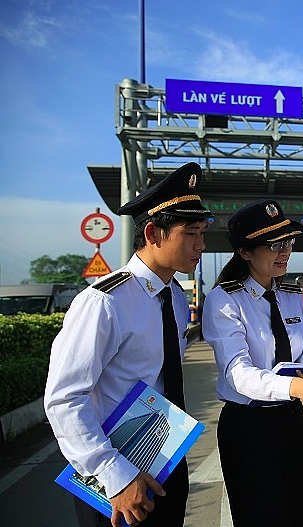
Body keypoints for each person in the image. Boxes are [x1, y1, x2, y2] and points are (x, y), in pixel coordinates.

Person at [44, 162, 213, 527]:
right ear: (153, 233)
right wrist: (115, 476)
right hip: (114, 481)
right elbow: (64, 398)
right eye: (191, 233)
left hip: (164, 462)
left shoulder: (177, 300)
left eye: (203, 232)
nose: (201, 244)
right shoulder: (105, 301)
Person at [201, 199, 303, 527]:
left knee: (296, 514)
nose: (285, 252)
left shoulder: (291, 294)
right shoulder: (224, 299)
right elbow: (238, 372)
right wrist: (296, 386)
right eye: (273, 245)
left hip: (290, 420)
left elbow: (302, 353)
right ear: (245, 252)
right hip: (248, 426)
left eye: (289, 242)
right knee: (258, 516)